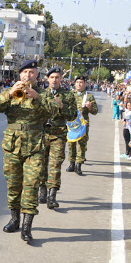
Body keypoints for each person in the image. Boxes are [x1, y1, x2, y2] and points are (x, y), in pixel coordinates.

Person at [0, 59, 60, 242]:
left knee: (31, 186)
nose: (27, 75)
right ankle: (14, 219)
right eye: (24, 72)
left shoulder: (43, 94)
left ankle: (27, 226)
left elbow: (54, 111)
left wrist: (35, 97)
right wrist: (10, 94)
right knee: (13, 185)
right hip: (12, 147)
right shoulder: (11, 91)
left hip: (35, 147)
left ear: (37, 76)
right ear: (19, 74)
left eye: (31, 72)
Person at [37, 67, 77, 210]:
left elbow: (72, 115)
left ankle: (52, 196)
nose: (54, 80)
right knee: (41, 164)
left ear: (61, 79)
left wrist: (62, 107)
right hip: (42, 133)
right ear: (47, 79)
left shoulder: (68, 95)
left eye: (57, 77)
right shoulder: (40, 94)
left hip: (58, 134)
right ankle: (42, 191)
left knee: (55, 164)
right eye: (52, 77)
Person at [65, 76, 98, 176]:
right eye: (77, 82)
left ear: (85, 84)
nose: (79, 84)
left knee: (82, 145)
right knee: (71, 144)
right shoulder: (70, 94)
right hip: (72, 124)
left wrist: (90, 107)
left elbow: (95, 111)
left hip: (83, 124)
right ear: (74, 84)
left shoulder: (89, 96)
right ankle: (71, 163)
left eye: (81, 82)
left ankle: (78, 165)